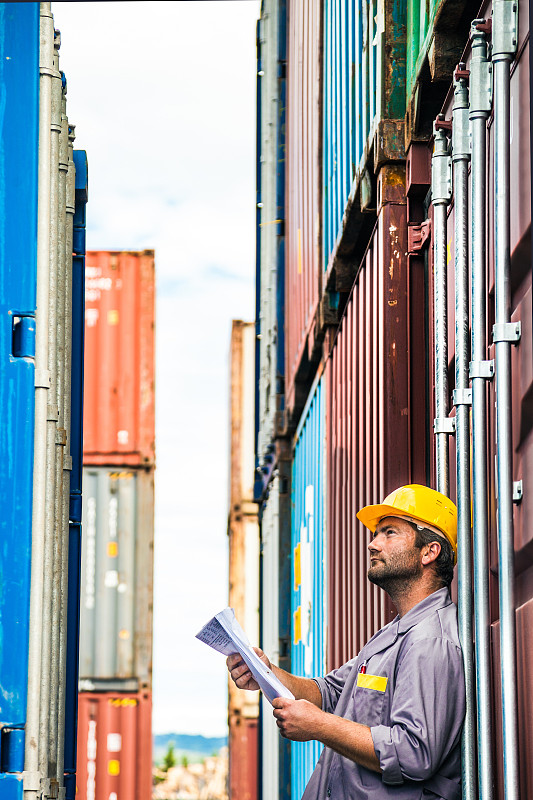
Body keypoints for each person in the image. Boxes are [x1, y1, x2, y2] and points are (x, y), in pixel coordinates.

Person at [227, 484, 466, 800]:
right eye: (376, 533)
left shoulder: (430, 642)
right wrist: (265, 672)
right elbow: (332, 692)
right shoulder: (394, 635)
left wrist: (320, 727)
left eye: (389, 533)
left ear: (428, 551)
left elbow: (414, 753)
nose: (372, 543)